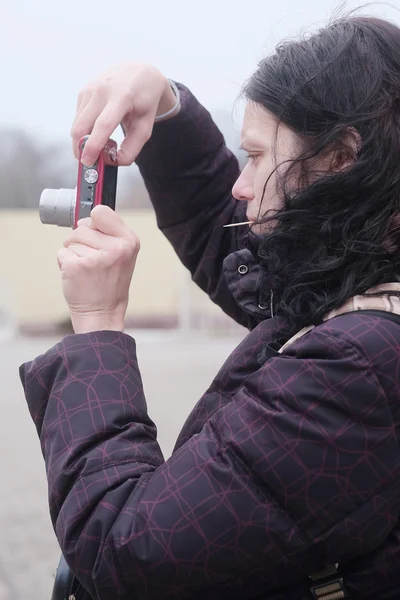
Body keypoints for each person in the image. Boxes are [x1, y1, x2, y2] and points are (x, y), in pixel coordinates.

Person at [20, 14, 400, 600]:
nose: (240, 185)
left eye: (254, 154)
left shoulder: (362, 368)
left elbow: (124, 550)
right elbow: (242, 249)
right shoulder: (365, 281)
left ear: (338, 161)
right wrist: (164, 107)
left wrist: (97, 329)